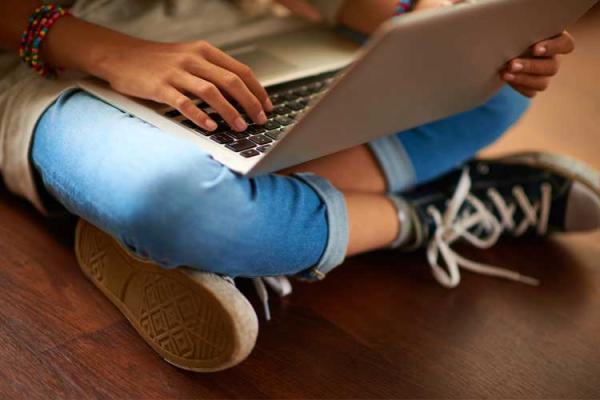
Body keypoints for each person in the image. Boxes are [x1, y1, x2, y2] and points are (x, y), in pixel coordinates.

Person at [0, 0, 598, 372]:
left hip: (243, 29)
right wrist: (113, 52)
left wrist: (431, 26)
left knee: (493, 94)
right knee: (180, 208)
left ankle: (256, 236)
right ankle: (426, 212)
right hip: (50, 63)